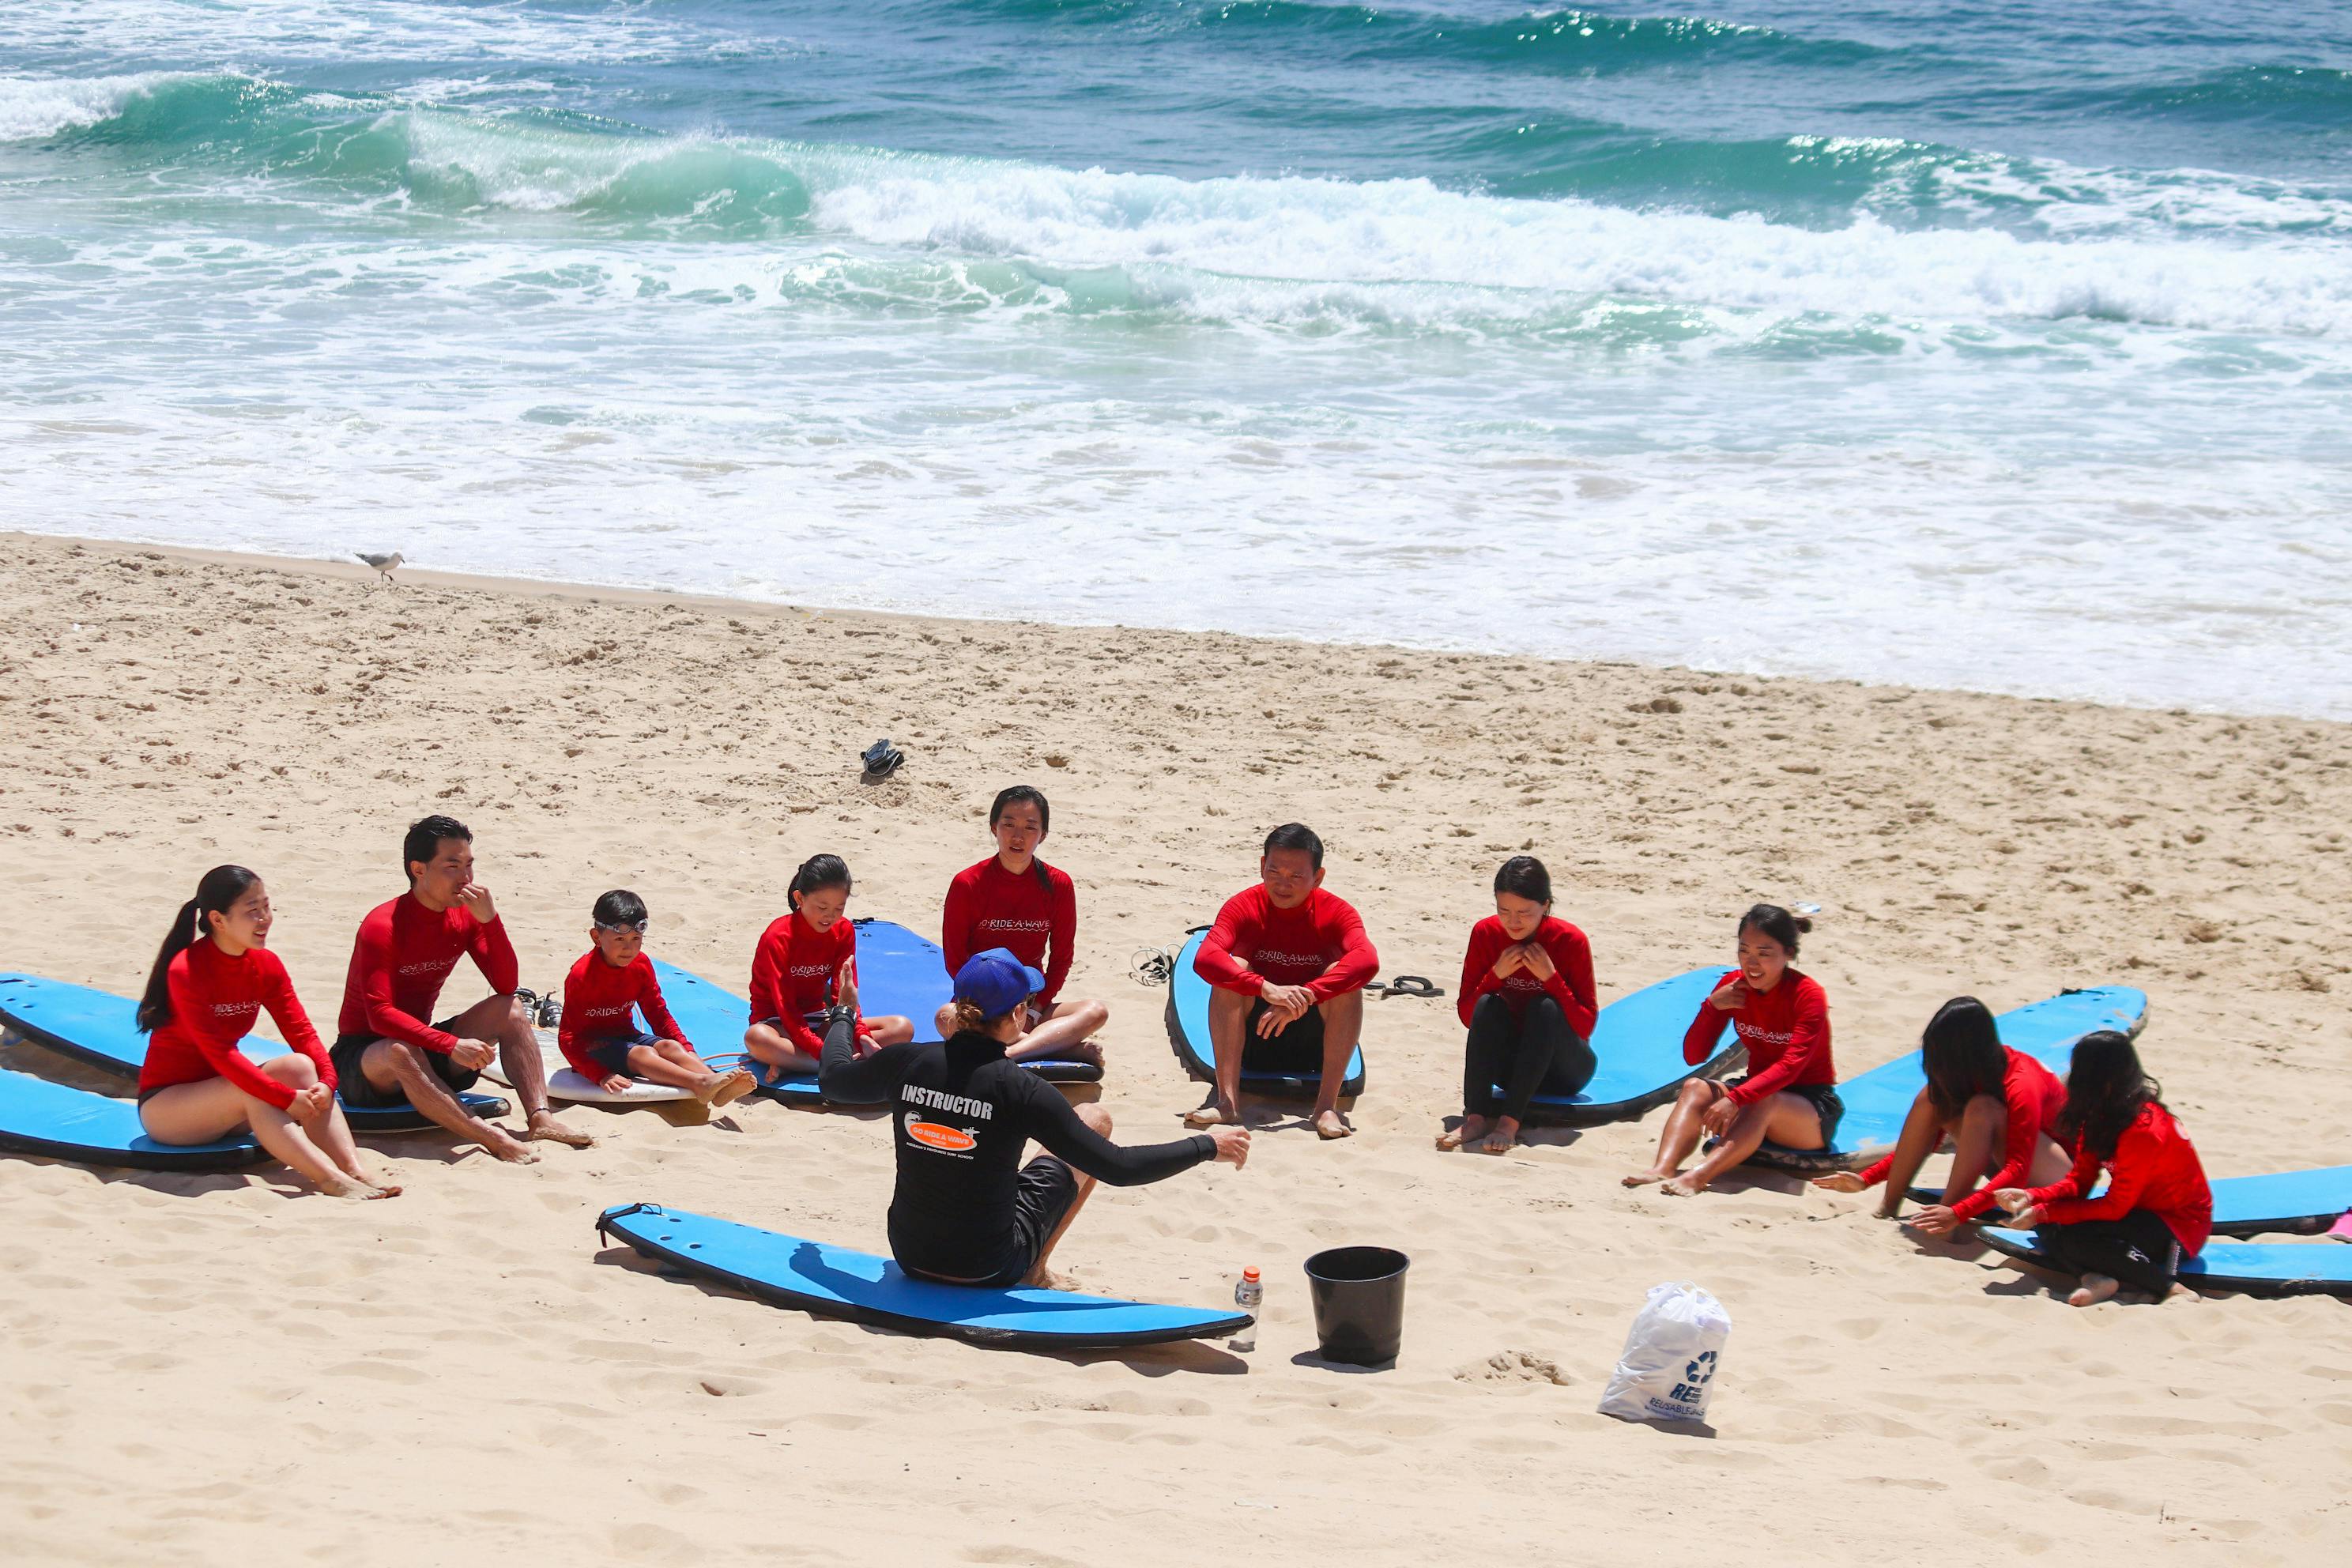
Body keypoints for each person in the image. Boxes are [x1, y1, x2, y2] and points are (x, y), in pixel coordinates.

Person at [818, 947, 1249, 1287]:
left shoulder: (907, 1062)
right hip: (988, 1267)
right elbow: (1119, 1167)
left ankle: (1029, 1266)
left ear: (956, 1008)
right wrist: (1207, 1146)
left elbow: (833, 1080)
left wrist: (843, 1012)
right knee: (1094, 1118)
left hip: (910, 1257)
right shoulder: (1021, 1089)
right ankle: (1036, 1271)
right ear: (1019, 1016)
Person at [333, 814, 590, 1163]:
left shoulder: (465, 915)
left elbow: (505, 985)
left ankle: (540, 1118)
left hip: (423, 1045)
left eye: (470, 865)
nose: (466, 878)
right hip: (365, 1062)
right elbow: (379, 1017)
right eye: (452, 866)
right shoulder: (383, 925)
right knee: (399, 1051)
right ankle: (491, 1139)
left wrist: (490, 921)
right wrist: (451, 1044)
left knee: (510, 1008)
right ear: (418, 869)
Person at [136, 865, 397, 1198]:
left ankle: (353, 1168)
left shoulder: (265, 964)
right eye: (252, 911)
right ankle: (328, 1179)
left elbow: (301, 1031)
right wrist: (285, 1098)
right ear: (218, 920)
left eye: (266, 907)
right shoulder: (186, 970)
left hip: (224, 1099)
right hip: (169, 1111)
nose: (265, 918)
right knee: (254, 1090)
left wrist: (327, 1082)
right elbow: (221, 1054)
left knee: (301, 1065)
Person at [1623, 903, 1837, 1196]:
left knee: (1766, 1100)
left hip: (1809, 1108)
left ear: (1788, 953)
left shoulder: (1807, 995)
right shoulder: (1733, 987)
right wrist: (1711, 1007)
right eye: (1744, 951)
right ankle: (1663, 1168)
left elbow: (1791, 1067)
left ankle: (1698, 1177)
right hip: (1754, 1094)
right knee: (1696, 1087)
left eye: (1764, 954)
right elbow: (1694, 1057)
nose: (1752, 963)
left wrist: (1737, 1098)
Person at [1812, 996, 2071, 1233]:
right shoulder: (1970, 1074)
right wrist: (1866, 1178)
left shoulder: (2020, 1082)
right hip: (2009, 1175)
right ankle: (1888, 1207)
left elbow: (2018, 1168)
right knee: (1931, 1098)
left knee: (1982, 1107)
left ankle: (1946, 1216)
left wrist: (1957, 1213)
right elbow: (1927, 1139)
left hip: (2057, 1180)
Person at [1189, 823, 1378, 1140]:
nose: (1283, 885)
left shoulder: (1336, 913)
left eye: (1296, 877)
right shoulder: (1244, 906)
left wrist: (1307, 996)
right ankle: (1227, 1102)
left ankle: (1325, 1107)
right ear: (1262, 866)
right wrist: (1265, 988)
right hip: (1251, 1036)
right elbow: (1205, 958)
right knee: (1230, 969)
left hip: (1313, 1042)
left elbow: (1368, 961)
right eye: (1274, 872)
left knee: (1344, 982)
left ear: (1318, 877)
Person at [1994, 1031, 2211, 1306]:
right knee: (2055, 1228)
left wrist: (2045, 1212)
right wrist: (2034, 1197)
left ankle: (2170, 1287)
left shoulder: (2143, 1131)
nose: (2069, 1081)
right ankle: (2097, 1277)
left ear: (2100, 1081)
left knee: (2069, 1233)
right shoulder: (2100, 1116)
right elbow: (2078, 1181)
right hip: (2137, 1211)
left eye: (2077, 1073)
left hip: (2179, 1227)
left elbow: (2115, 1207)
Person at [936, 785, 1109, 1067]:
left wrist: (1035, 1011)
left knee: (1096, 1011)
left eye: (1030, 827)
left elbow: (1062, 957)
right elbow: (955, 960)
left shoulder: (1058, 884)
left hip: (1029, 1000)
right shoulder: (967, 883)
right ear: (994, 827)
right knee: (944, 1016)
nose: (1018, 836)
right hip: (980, 1001)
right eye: (1008, 824)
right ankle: (1050, 1046)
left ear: (1043, 834)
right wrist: (986, 1007)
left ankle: (1011, 1052)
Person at [1438, 855, 1596, 1155]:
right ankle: (1475, 1116)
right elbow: (1469, 1015)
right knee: (1489, 1002)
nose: (1513, 922)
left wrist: (1552, 979)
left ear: (1546, 906)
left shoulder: (1570, 940)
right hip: (1510, 1070)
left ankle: (1509, 1123)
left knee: (1545, 1007)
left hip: (1565, 1071)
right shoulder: (1486, 933)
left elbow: (1586, 1025)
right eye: (1504, 910)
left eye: (1525, 912)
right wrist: (1494, 976)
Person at [559, 890, 755, 1106]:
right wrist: (599, 1075)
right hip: (590, 1046)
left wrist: (690, 1052)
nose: (629, 948)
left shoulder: (640, 964)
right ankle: (699, 1083)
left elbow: (658, 1013)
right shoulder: (582, 975)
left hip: (624, 1035)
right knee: (643, 1053)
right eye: (620, 939)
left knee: (670, 1047)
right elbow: (568, 1037)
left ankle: (713, 1081)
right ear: (597, 937)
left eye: (636, 939)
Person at [743, 854, 914, 1080]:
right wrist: (821, 1050)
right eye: (822, 907)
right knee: (756, 1038)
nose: (829, 916)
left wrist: (860, 1034)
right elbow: (786, 1007)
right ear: (800, 898)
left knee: (902, 1027)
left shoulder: (843, 930)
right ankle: (830, 1063)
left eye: (839, 908)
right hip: (778, 1022)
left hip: (818, 1017)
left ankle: (795, 1063)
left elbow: (843, 994)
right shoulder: (778, 936)